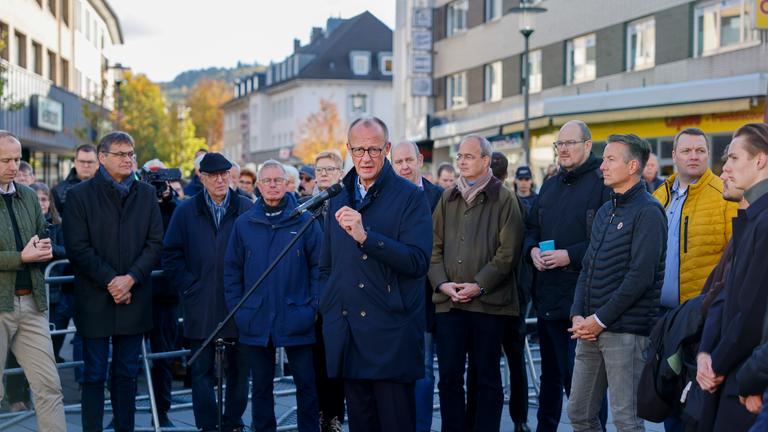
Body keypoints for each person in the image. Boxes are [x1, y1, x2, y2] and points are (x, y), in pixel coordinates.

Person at [319, 116, 432, 431]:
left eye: (373, 149)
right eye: (358, 150)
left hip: (391, 335)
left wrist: (367, 237)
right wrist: (327, 306)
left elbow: (418, 261)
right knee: (361, 424)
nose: (365, 158)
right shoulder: (338, 196)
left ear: (387, 149)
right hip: (349, 333)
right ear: (348, 150)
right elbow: (327, 265)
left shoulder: (411, 197)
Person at [63, 131, 164, 432]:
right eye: (120, 154)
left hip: (134, 298)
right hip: (95, 298)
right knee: (93, 375)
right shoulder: (80, 195)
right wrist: (112, 281)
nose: (128, 159)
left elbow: (155, 243)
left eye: (131, 153)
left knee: (126, 375)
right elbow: (77, 247)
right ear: (102, 158)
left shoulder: (146, 194)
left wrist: (130, 279)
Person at [567, 133, 666, 432]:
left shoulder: (649, 211)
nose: (603, 166)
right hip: (589, 330)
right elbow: (588, 267)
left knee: (626, 421)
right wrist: (578, 314)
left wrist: (600, 319)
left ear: (633, 165)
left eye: (611, 159)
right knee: (579, 414)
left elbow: (640, 277)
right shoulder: (605, 210)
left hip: (626, 332)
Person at [429, 135, 523, 431]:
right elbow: (433, 246)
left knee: (487, 380)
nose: (462, 162)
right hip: (450, 303)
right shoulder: (448, 197)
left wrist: (479, 284)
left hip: (488, 305)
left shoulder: (505, 198)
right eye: (459, 157)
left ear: (486, 160)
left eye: (469, 156)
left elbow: (508, 254)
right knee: (449, 379)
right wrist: (442, 283)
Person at [524, 120, 611, 432]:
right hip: (548, 297)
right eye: (559, 144)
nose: (563, 150)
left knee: (583, 383)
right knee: (549, 379)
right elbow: (531, 228)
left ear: (588, 145)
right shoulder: (550, 185)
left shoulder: (604, 184)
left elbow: (606, 243)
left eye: (569, 143)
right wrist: (532, 250)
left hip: (584, 301)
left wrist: (568, 255)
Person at [224, 159, 322, 432]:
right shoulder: (245, 223)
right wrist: (239, 309)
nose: (272, 185)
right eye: (266, 181)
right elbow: (232, 270)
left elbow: (320, 265)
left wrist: (313, 306)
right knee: (262, 386)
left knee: (306, 383)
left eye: (277, 180)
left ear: (286, 183)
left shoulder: (304, 219)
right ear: (258, 186)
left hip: (297, 313)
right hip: (256, 316)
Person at [163, 152, 252, 432]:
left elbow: (259, 254)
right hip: (199, 302)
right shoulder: (185, 211)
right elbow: (171, 254)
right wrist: (190, 286)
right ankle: (208, 425)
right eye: (213, 175)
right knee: (201, 371)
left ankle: (233, 422)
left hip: (238, 304)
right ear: (202, 178)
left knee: (239, 370)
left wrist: (248, 291)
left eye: (225, 174)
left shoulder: (247, 209)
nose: (220, 180)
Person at [697, 123, 768, 431]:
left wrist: (718, 365)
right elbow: (724, 297)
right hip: (731, 371)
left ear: (761, 160)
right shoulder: (751, 220)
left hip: (745, 378)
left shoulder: (763, 223)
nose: (724, 169)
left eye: (734, 158)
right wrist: (706, 353)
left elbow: (752, 313)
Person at [0, 131, 66, 431]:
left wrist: (44, 247)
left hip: (32, 301)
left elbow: (42, 233)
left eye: (16, 159)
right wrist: (21, 258)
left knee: (49, 386)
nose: (13, 166)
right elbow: (21, 254)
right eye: (5, 160)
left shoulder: (27, 195)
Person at [653, 128, 738, 308]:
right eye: (686, 151)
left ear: (708, 154)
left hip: (699, 313)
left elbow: (735, 259)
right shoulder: (658, 196)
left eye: (700, 151)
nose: (694, 156)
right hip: (653, 312)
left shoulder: (726, 196)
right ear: (674, 156)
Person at [391, 140, 443, 432]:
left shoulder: (438, 196)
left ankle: (420, 427)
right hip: (391, 295)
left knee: (424, 368)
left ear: (419, 160)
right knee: (394, 369)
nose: (404, 167)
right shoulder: (384, 196)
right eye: (398, 162)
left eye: (409, 160)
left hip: (426, 296)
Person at [310, 150, 346, 432]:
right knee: (318, 360)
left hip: (343, 293)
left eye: (329, 169)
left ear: (341, 173)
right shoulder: (304, 207)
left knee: (340, 359)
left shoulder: (348, 203)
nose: (323, 174)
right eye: (319, 170)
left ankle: (335, 414)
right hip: (313, 295)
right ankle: (324, 413)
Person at [53, 144, 99, 216]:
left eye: (90, 162)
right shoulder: (59, 190)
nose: (86, 165)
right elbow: (55, 221)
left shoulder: (109, 188)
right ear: (75, 162)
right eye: (82, 161)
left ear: (97, 164)